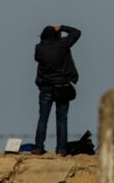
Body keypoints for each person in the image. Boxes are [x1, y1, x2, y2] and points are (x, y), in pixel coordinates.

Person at [33, 24, 81, 155]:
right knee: (62, 119)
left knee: (43, 118)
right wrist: (62, 28)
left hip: (46, 87)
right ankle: (61, 149)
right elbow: (77, 32)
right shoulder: (63, 44)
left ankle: (38, 147)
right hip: (62, 87)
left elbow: (37, 59)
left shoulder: (39, 48)